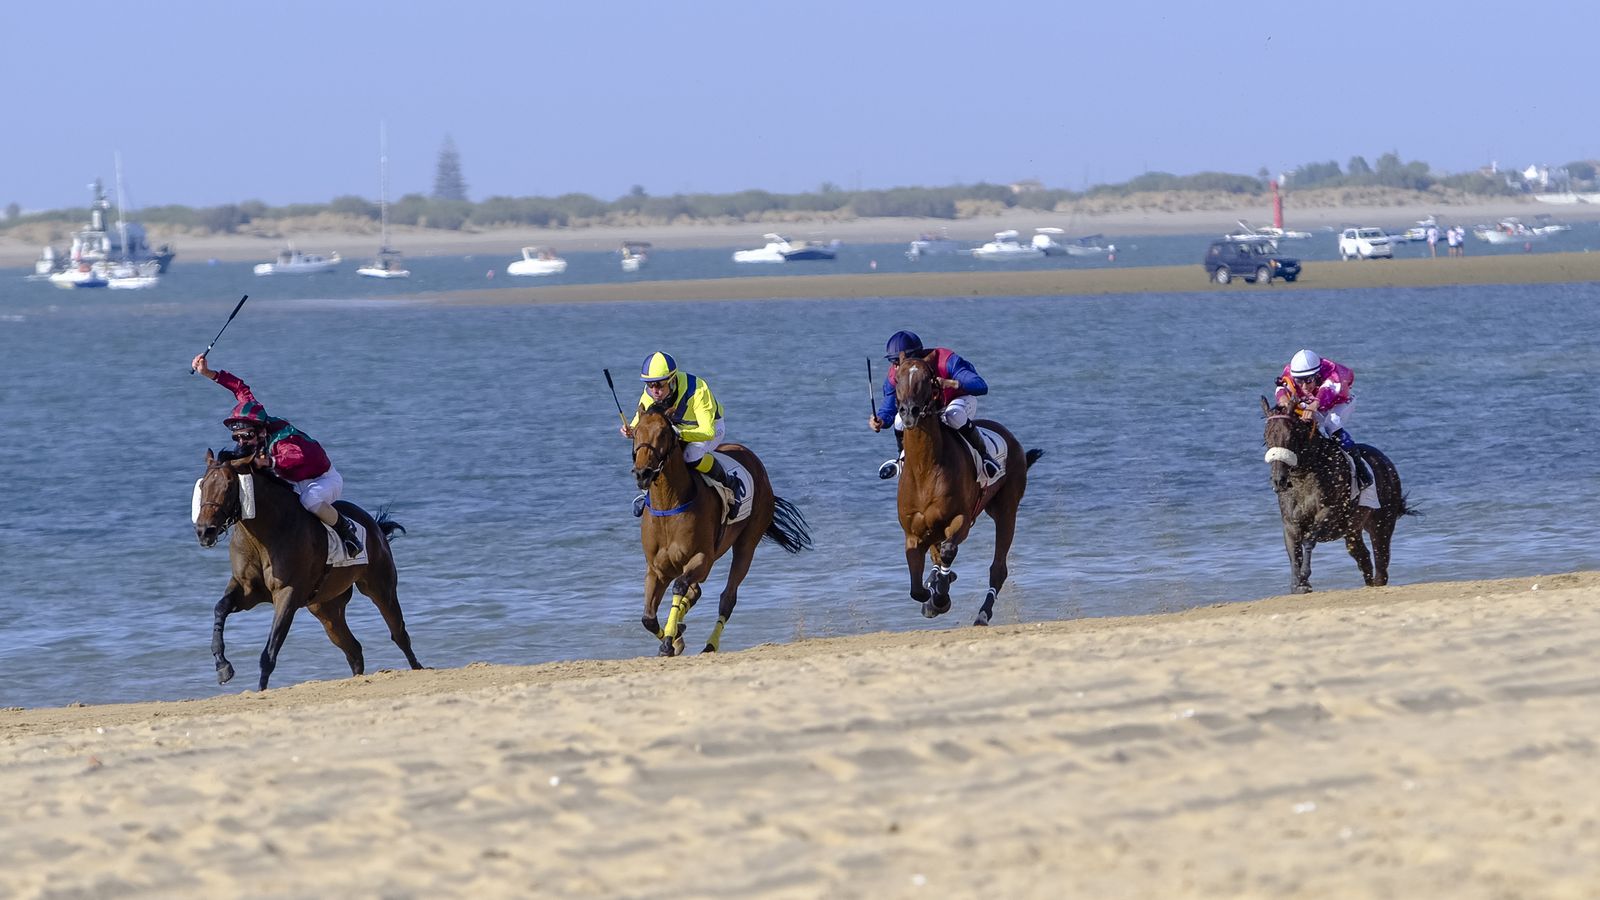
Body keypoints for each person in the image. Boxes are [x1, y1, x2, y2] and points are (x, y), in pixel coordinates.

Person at [190, 353, 364, 556]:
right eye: (236, 438)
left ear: (262, 431)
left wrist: (270, 461)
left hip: (322, 481)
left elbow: (295, 456)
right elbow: (240, 388)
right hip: (291, 482)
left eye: (246, 437)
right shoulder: (254, 417)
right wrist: (208, 372)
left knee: (310, 501)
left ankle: (346, 532)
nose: (241, 443)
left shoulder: (283, 437)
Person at [621, 351, 745, 518]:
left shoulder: (697, 389)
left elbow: (707, 431)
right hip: (673, 429)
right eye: (650, 385)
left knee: (690, 455)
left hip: (709, 429)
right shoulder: (650, 392)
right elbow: (640, 422)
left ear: (672, 380)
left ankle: (729, 483)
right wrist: (631, 430)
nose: (655, 391)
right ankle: (647, 493)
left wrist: (678, 433)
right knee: (646, 450)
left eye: (659, 385)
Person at [870, 330, 999, 481]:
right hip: (931, 409)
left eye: (898, 362)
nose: (896, 368)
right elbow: (889, 408)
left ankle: (985, 456)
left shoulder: (946, 360)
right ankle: (901, 460)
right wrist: (880, 420)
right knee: (899, 419)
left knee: (953, 416)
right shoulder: (897, 374)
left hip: (959, 400)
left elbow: (980, 386)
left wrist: (950, 383)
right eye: (894, 363)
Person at [1273, 348, 1370, 490]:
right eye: (1299, 381)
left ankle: (1361, 469)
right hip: (1313, 403)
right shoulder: (1290, 374)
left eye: (1309, 380)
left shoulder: (1332, 374)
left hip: (1339, 402)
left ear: (1317, 376)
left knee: (1331, 424)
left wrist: (1312, 407)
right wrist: (1283, 400)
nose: (1304, 386)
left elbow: (1325, 392)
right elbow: (1281, 389)